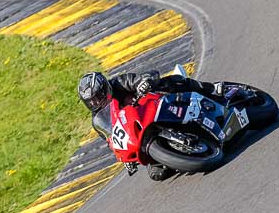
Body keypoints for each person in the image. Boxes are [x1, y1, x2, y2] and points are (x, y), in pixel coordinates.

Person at [77, 70, 229, 181]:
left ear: (105, 88)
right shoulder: (98, 121)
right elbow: (112, 140)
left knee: (171, 82)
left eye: (98, 97)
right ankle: (182, 151)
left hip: (153, 107)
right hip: (140, 134)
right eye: (91, 101)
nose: (96, 102)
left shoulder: (119, 83)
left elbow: (145, 77)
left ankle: (211, 89)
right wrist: (125, 160)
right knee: (157, 174)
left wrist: (144, 83)